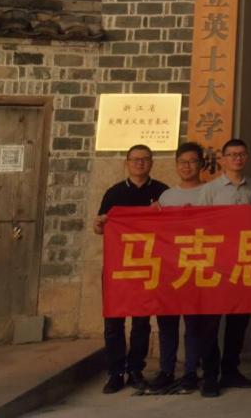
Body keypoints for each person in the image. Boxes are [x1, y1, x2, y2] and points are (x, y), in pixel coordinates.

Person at [94, 144, 169, 394]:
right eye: (135, 159)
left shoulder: (162, 192)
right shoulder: (114, 193)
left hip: (147, 266)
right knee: (113, 321)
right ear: (127, 163)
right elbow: (99, 227)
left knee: (141, 322)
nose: (140, 163)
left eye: (145, 159)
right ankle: (116, 372)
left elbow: (172, 227)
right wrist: (99, 224)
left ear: (152, 163)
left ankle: (136, 369)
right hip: (118, 267)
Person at [194, 138, 251, 397]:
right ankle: (210, 375)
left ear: (247, 157)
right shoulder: (209, 190)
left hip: (244, 264)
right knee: (210, 323)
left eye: (241, 154)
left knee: (238, 322)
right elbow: (199, 226)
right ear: (222, 159)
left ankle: (231, 370)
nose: (237, 158)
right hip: (216, 265)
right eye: (231, 154)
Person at [149, 141, 207, 395]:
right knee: (167, 323)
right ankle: (166, 370)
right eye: (182, 162)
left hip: (197, 265)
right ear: (176, 166)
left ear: (201, 164)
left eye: (192, 161)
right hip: (170, 267)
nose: (187, 166)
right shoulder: (167, 196)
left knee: (194, 324)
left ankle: (192, 371)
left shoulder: (209, 193)